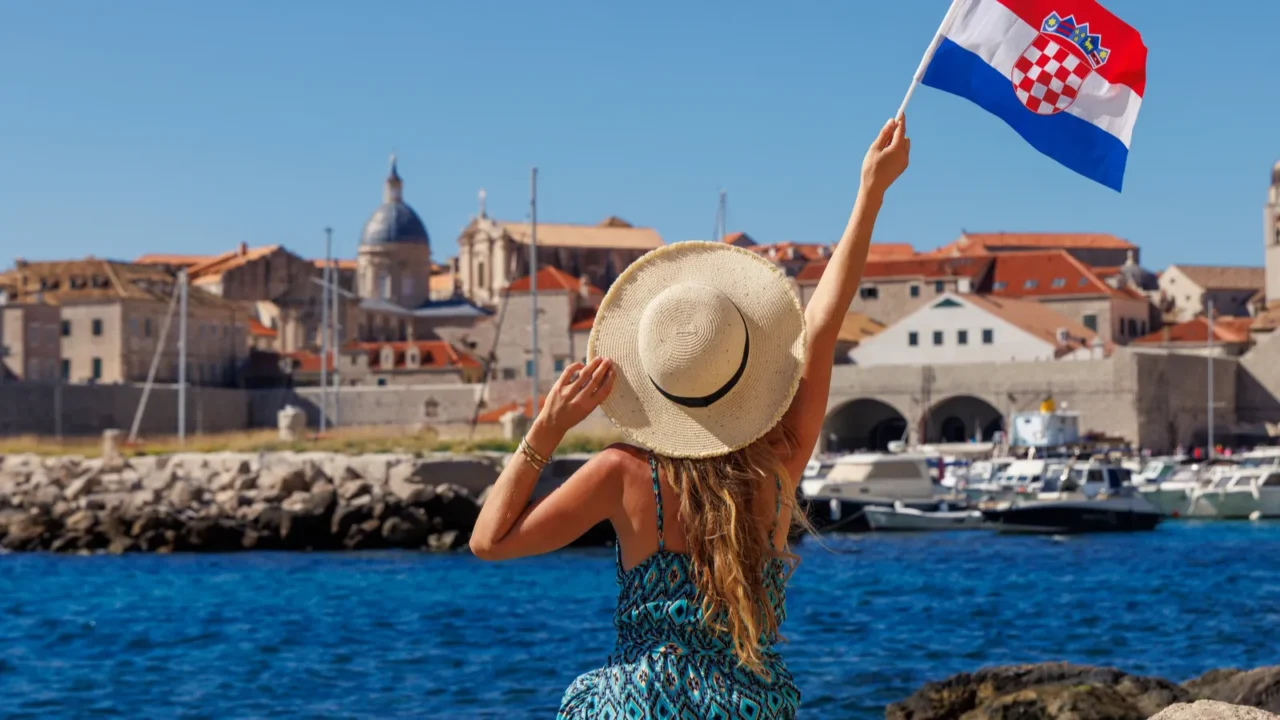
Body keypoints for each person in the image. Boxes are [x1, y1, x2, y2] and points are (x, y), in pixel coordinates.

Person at [470, 116, 911, 719]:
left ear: (652, 382)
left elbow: (488, 542)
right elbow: (824, 325)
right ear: (742, 368)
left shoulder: (622, 474)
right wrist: (870, 193)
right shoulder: (778, 462)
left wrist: (545, 432)